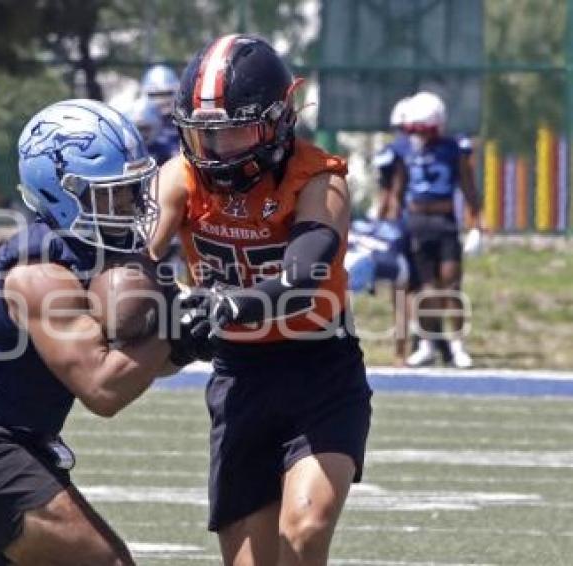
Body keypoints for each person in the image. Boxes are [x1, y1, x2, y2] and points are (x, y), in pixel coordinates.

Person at [0, 99, 195, 565]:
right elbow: (104, 389)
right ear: (61, 194)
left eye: (132, 190)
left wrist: (193, 338)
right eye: (114, 194)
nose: (131, 206)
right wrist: (178, 329)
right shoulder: (38, 273)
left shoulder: (88, 253)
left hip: (10, 440)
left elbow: (139, 361)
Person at [148, 34, 372, 566]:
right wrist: (149, 308)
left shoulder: (319, 179)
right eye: (208, 137)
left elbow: (304, 276)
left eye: (236, 132)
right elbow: (133, 264)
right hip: (239, 375)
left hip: (319, 369)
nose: (221, 152)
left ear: (279, 120)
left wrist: (226, 305)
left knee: (305, 531)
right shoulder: (179, 178)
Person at [386, 91, 482, 369]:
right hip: (416, 224)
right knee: (424, 289)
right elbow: (397, 190)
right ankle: (427, 344)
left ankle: (457, 344)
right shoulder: (404, 148)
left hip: (445, 223)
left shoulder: (454, 148)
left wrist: (477, 223)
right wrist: (392, 227)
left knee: (451, 284)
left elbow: (468, 186)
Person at [344, 218, 413, 364]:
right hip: (392, 260)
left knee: (339, 306)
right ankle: (401, 356)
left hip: (358, 261)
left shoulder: (355, 224)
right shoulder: (397, 227)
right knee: (401, 303)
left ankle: (342, 351)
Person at [141, 63, 181, 157]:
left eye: (166, 93)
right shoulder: (140, 121)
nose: (161, 100)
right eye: (155, 95)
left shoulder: (182, 121)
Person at [124, 96, 175, 165]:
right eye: (137, 129)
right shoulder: (125, 151)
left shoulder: (166, 149)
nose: (141, 134)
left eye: (145, 128)